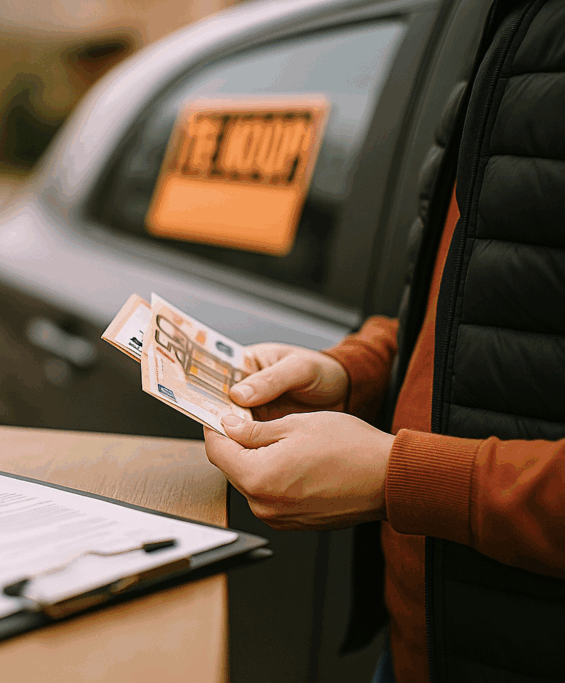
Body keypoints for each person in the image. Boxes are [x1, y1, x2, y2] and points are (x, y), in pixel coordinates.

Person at [203, 1, 565, 681]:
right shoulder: (508, 18)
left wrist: (400, 477)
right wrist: (353, 369)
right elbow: (478, 302)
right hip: (416, 645)